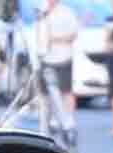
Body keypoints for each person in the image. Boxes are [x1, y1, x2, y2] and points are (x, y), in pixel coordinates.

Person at [37, 0, 79, 131]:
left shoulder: (67, 13)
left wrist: (55, 38)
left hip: (63, 57)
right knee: (44, 94)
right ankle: (45, 124)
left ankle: (69, 122)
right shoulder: (42, 11)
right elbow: (38, 31)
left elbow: (73, 34)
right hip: (46, 58)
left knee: (65, 91)